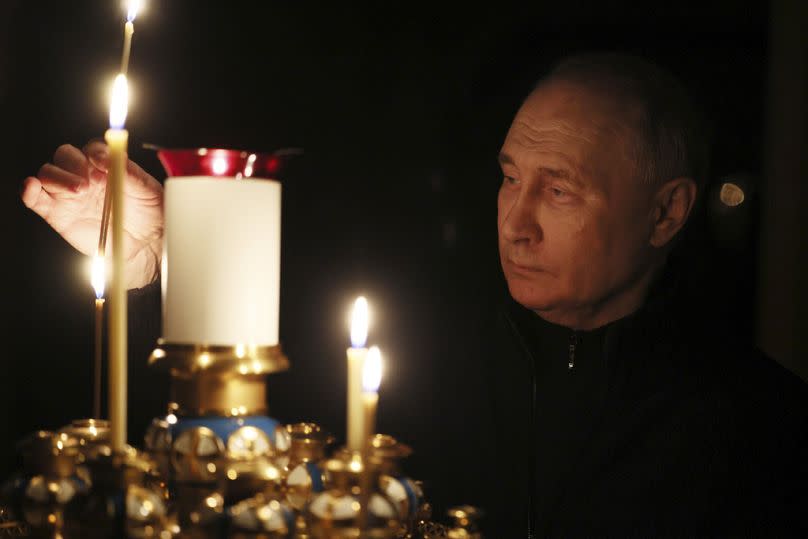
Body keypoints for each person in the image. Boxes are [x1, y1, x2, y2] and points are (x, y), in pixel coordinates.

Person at [22, 53, 808, 537]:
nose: (516, 222)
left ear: (667, 211)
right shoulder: (405, 352)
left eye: (560, 191)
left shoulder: (756, 434)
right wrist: (167, 252)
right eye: (509, 178)